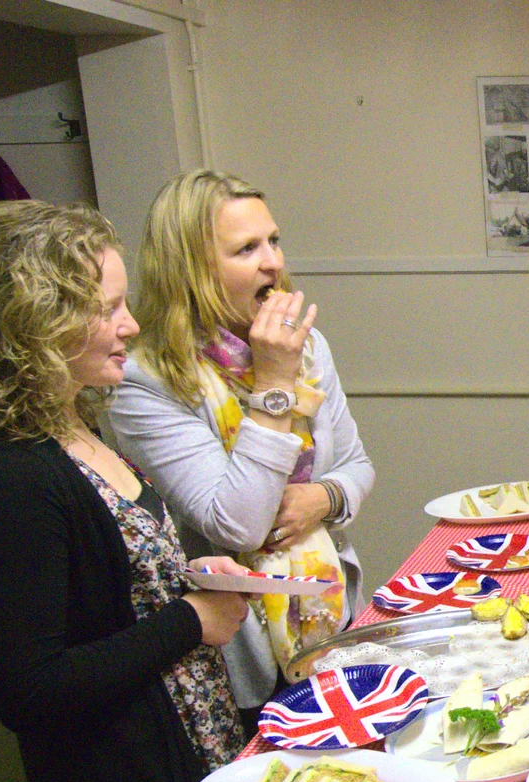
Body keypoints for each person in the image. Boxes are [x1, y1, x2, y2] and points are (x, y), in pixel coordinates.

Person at [0, 201, 250, 782]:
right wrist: (189, 622)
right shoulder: (11, 475)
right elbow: (29, 688)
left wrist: (193, 581)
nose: (131, 325)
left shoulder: (76, 422)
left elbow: (114, 590)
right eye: (107, 308)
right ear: (34, 327)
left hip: (182, 753)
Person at [110, 170, 375, 728]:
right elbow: (238, 526)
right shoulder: (144, 380)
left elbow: (357, 466)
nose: (273, 263)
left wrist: (323, 497)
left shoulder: (307, 346)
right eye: (247, 249)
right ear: (192, 270)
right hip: (238, 648)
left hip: (329, 609)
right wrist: (274, 383)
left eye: (273, 241)